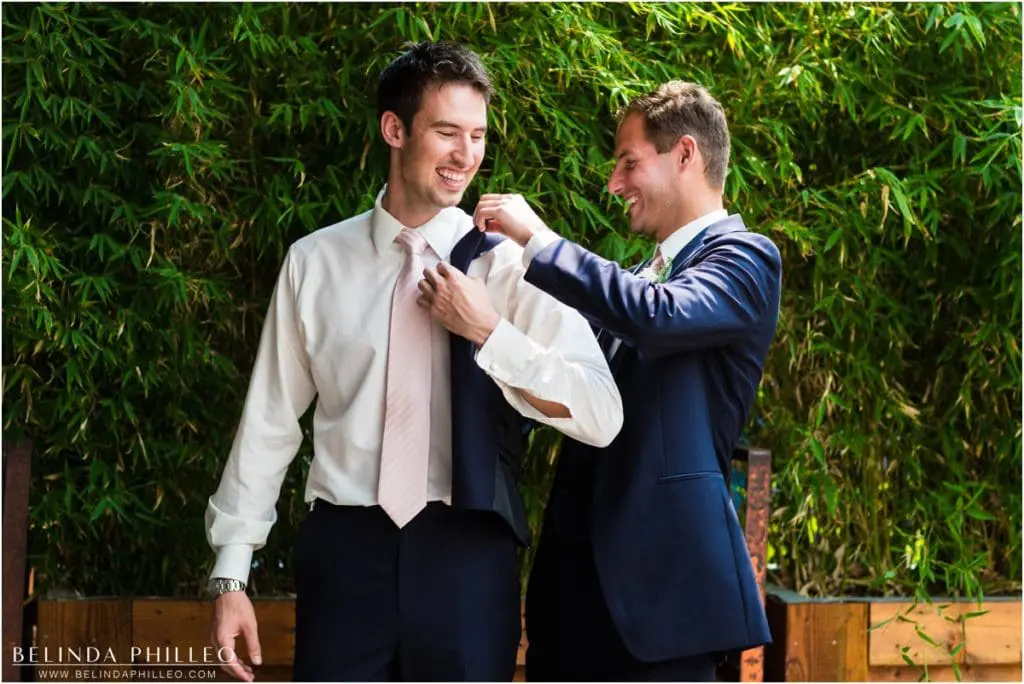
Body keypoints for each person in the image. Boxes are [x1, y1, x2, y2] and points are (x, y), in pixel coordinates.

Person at [204, 41, 623, 683]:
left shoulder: (506, 266)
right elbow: (270, 422)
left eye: (478, 135)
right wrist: (231, 571)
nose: (466, 155)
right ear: (394, 129)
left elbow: (600, 414)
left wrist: (489, 332)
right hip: (345, 555)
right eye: (447, 132)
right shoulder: (314, 262)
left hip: (468, 556)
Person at [471, 81, 780, 681]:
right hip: (575, 600)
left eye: (628, 162)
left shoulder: (745, 258)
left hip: (664, 605)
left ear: (686, 154)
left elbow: (657, 317)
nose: (614, 183)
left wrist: (539, 240)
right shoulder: (635, 280)